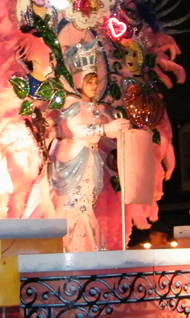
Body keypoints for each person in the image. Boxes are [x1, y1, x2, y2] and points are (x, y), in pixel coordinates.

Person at [50, 43, 130, 252]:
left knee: (86, 205)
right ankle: (75, 249)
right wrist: (105, 129)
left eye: (96, 82)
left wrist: (117, 130)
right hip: (75, 157)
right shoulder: (71, 102)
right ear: (79, 81)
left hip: (88, 157)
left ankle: (87, 248)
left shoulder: (92, 107)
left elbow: (99, 132)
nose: (94, 86)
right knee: (75, 205)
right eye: (90, 82)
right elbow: (76, 128)